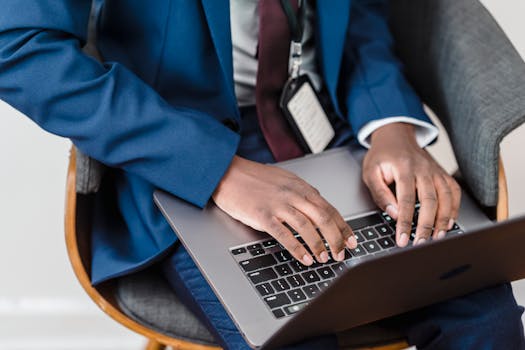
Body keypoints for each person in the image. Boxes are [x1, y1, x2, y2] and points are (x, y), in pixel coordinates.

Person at [0, 0, 523, 349]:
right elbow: (17, 46)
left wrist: (391, 128)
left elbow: (356, 11)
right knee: (296, 331)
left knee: (486, 317)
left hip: (331, 126)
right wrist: (216, 169)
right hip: (178, 150)